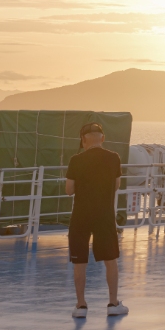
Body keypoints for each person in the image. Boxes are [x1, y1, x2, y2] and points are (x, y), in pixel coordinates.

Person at [65, 121, 127, 318]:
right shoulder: (114, 158)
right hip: (104, 215)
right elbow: (117, 185)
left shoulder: (76, 160)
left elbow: (69, 190)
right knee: (110, 260)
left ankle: (81, 305)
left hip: (81, 216)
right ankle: (113, 303)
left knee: (79, 261)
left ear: (83, 140)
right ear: (102, 139)